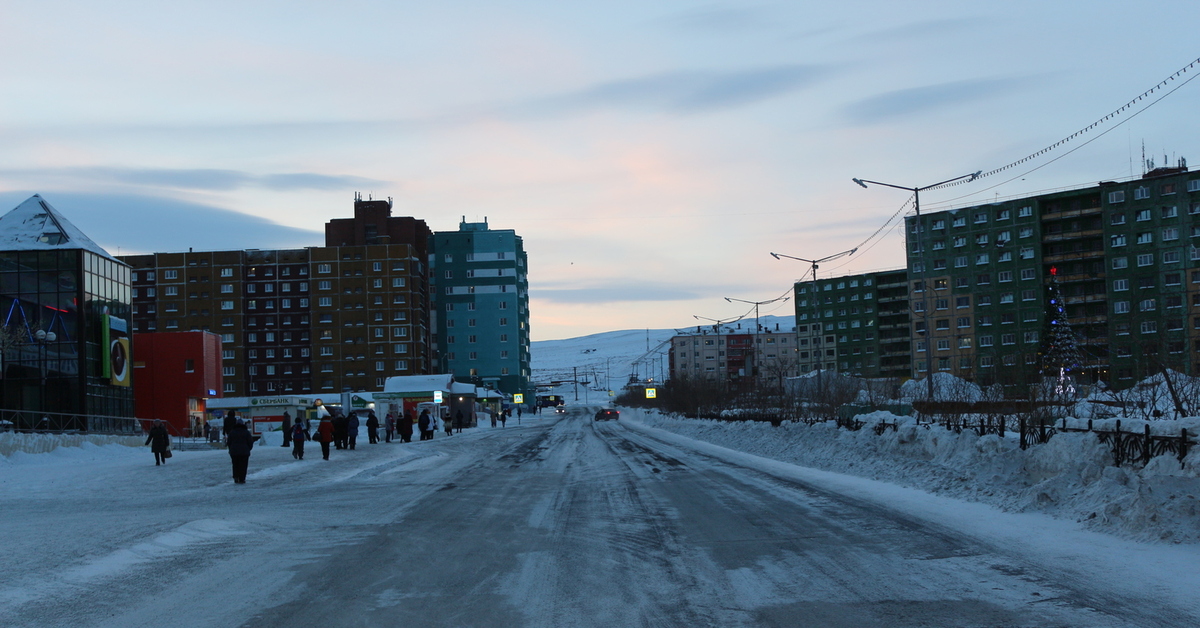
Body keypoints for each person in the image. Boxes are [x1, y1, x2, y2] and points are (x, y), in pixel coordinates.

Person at [227, 418, 254, 484]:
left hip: (234, 452)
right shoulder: (246, 432)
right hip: (244, 452)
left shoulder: (232, 432)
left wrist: (231, 449)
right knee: (243, 465)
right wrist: (248, 449)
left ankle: (236, 477)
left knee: (235, 465)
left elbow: (229, 442)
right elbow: (250, 442)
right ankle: (242, 478)